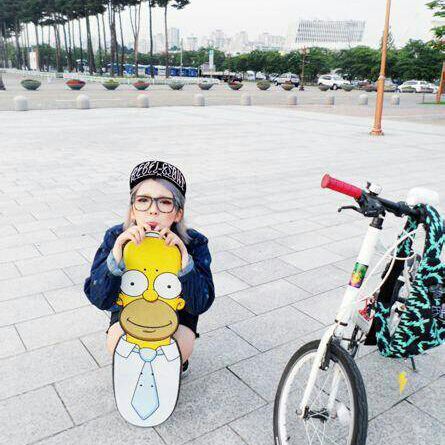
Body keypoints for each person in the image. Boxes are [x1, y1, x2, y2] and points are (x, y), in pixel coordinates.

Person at [84, 160, 214, 374]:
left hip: (177, 312)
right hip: (131, 309)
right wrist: (117, 254)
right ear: (132, 211)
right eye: (143, 200)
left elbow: (201, 303)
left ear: (178, 213)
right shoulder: (116, 237)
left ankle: (178, 364)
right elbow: (99, 298)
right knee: (118, 345)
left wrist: (184, 258)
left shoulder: (194, 243)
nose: (153, 211)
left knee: (177, 350)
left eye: (165, 202)